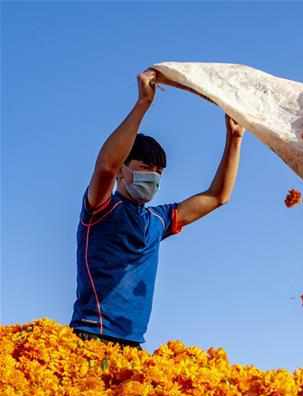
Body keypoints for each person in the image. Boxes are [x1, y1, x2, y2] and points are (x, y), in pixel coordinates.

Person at [70, 68, 244, 350]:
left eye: (158, 171)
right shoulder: (100, 208)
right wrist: (143, 104)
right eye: (144, 168)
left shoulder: (157, 220)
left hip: (133, 344)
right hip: (92, 335)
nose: (153, 176)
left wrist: (234, 140)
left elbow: (217, 196)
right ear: (123, 172)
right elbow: (106, 165)